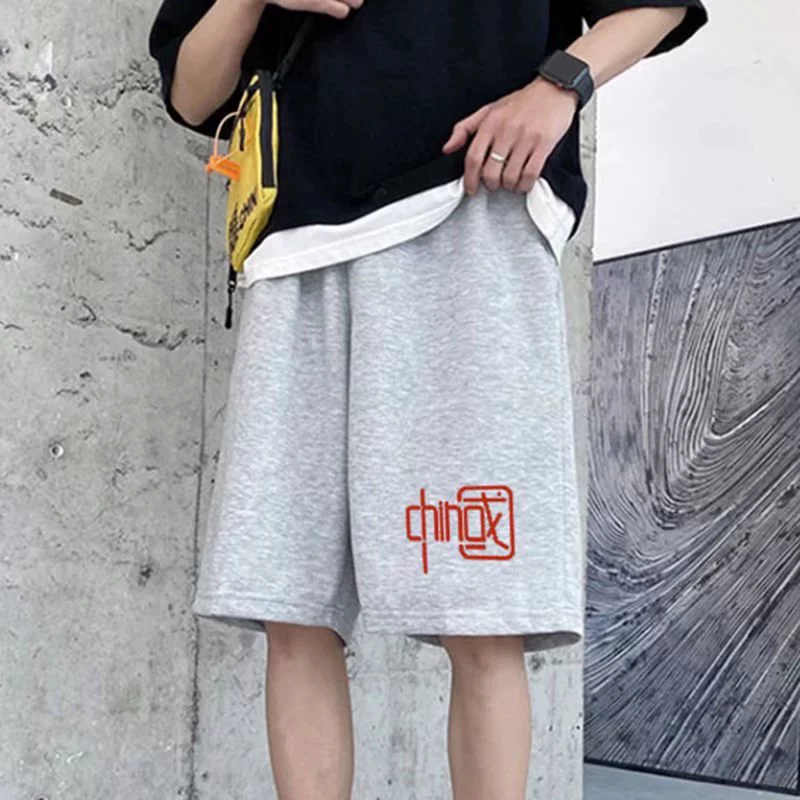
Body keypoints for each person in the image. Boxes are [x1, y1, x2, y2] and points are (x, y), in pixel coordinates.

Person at [148, 0, 708, 797]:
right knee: (292, 608)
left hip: (471, 208)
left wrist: (559, 87)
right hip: (296, 243)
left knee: (482, 612)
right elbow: (192, 93)